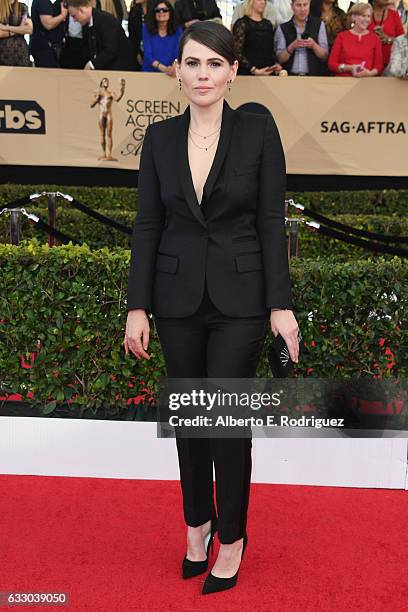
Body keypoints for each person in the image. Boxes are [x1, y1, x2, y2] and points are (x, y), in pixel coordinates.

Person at [125, 21, 299, 596]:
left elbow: (272, 221)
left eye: (214, 64)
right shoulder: (159, 139)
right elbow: (148, 226)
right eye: (192, 63)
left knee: (224, 422)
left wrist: (280, 306)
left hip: (241, 300)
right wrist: (137, 307)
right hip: (176, 301)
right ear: (177, 71)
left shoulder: (257, 133)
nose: (203, 74)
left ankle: (232, 537)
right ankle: (195, 525)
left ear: (232, 71)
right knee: (190, 424)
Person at [67, 0, 133, 70]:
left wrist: (92, 64)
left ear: (81, 10)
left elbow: (110, 50)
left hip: (121, 71)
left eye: (74, 16)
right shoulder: (87, 24)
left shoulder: (105, 20)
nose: (74, 20)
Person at [274, 0, 329, 75]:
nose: (302, 9)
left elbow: (325, 56)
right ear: (292, 6)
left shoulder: (319, 25)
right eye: (298, 5)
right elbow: (279, 59)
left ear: (309, 5)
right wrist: (291, 47)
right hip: (289, 77)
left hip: (313, 77)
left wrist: (313, 45)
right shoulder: (283, 28)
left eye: (305, 5)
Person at [329, 2, 383, 75]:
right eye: (363, 16)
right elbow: (332, 64)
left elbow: (379, 66)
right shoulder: (341, 37)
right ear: (353, 17)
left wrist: (369, 73)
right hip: (343, 82)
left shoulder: (375, 39)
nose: (367, 19)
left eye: (369, 16)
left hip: (366, 81)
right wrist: (350, 68)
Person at [232, 0, 283, 74]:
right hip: (247, 74)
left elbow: (271, 50)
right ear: (250, 2)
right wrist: (254, 70)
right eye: (259, 0)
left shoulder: (268, 25)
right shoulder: (241, 24)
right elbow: (237, 52)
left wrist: (276, 64)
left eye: (264, 0)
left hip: (268, 72)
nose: (263, 2)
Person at [142, 0, 183, 74]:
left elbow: (179, 52)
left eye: (165, 10)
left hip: (172, 71)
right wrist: (163, 68)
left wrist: (174, 65)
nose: (161, 12)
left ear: (170, 13)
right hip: (150, 72)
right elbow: (148, 55)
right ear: (154, 13)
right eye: (158, 10)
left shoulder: (178, 29)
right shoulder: (146, 28)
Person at [91, 77, 126, 160]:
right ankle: (103, 154)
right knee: (102, 134)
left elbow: (117, 99)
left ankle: (109, 155)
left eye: (107, 81)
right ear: (102, 83)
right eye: (104, 81)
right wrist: (97, 99)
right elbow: (91, 105)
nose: (106, 82)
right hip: (101, 115)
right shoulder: (98, 93)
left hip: (108, 115)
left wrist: (122, 90)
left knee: (109, 134)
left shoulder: (111, 93)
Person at [30, 0, 67, 67]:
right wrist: (62, 16)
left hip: (53, 46)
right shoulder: (42, 2)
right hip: (44, 47)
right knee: (48, 75)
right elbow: (48, 24)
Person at [368, 0, 404, 68]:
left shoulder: (394, 14)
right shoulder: (363, 13)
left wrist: (388, 39)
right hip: (368, 64)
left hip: (390, 64)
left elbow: (403, 40)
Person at [0, 0, 32, 66]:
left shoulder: (23, 7)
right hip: (2, 52)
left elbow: (29, 29)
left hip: (20, 53)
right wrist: (19, 29)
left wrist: (6, 28)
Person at [128, 0, 150, 70]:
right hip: (138, 50)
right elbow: (132, 36)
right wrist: (137, 52)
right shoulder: (134, 11)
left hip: (153, 51)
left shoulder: (157, 10)